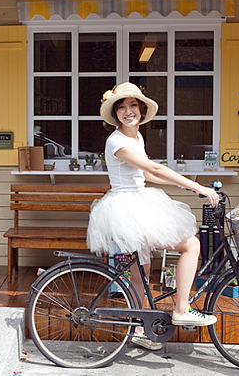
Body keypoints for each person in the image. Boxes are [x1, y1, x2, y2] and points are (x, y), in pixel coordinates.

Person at [86, 82, 219, 350]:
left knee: (141, 274)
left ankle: (137, 330)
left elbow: (145, 176)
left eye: (133, 105)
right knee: (191, 245)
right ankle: (182, 309)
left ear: (142, 109)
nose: (128, 111)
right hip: (127, 206)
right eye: (121, 107)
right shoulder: (116, 140)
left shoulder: (136, 138)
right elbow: (154, 170)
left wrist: (182, 185)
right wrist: (196, 186)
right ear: (115, 115)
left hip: (138, 201)